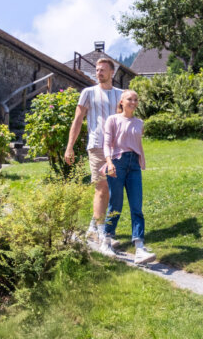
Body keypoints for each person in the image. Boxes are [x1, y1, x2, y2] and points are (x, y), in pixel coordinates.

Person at [65, 58, 122, 244]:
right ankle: (101, 232)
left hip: (118, 147)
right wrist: (69, 146)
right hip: (97, 145)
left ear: (112, 72)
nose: (99, 73)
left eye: (103, 70)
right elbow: (78, 120)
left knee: (112, 190)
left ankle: (92, 227)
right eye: (97, 70)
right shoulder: (88, 93)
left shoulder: (121, 95)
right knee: (102, 187)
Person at [101, 90, 156, 264]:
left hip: (134, 166)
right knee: (115, 204)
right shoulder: (113, 120)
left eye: (135, 99)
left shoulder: (139, 122)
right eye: (129, 99)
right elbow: (107, 143)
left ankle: (139, 247)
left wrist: (142, 161)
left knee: (136, 206)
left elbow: (138, 143)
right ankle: (106, 241)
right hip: (117, 163)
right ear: (121, 102)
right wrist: (109, 163)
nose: (133, 102)